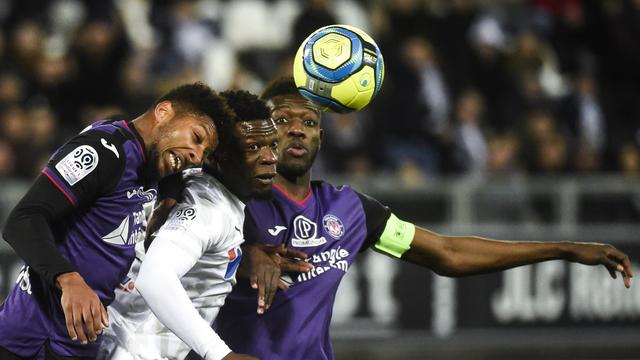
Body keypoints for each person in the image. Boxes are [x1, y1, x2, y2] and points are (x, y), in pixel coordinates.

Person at [207, 77, 633, 360]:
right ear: (262, 131)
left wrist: (563, 248)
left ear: (322, 135)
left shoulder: (351, 212)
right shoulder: (234, 198)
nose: (296, 129)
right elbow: (167, 234)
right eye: (282, 120)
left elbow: (447, 253)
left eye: (309, 121)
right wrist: (240, 255)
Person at [0, 82, 230, 359]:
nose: (196, 156)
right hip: (34, 338)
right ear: (163, 112)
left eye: (204, 153)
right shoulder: (103, 151)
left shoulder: (150, 160)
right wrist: (68, 279)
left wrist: (168, 200)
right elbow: (23, 220)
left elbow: (172, 175)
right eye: (196, 137)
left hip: (78, 341)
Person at [98, 90, 310, 360]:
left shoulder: (205, 193)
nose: (270, 158)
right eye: (253, 148)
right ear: (216, 157)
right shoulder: (208, 208)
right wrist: (220, 354)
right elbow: (154, 277)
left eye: (272, 145)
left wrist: (243, 257)